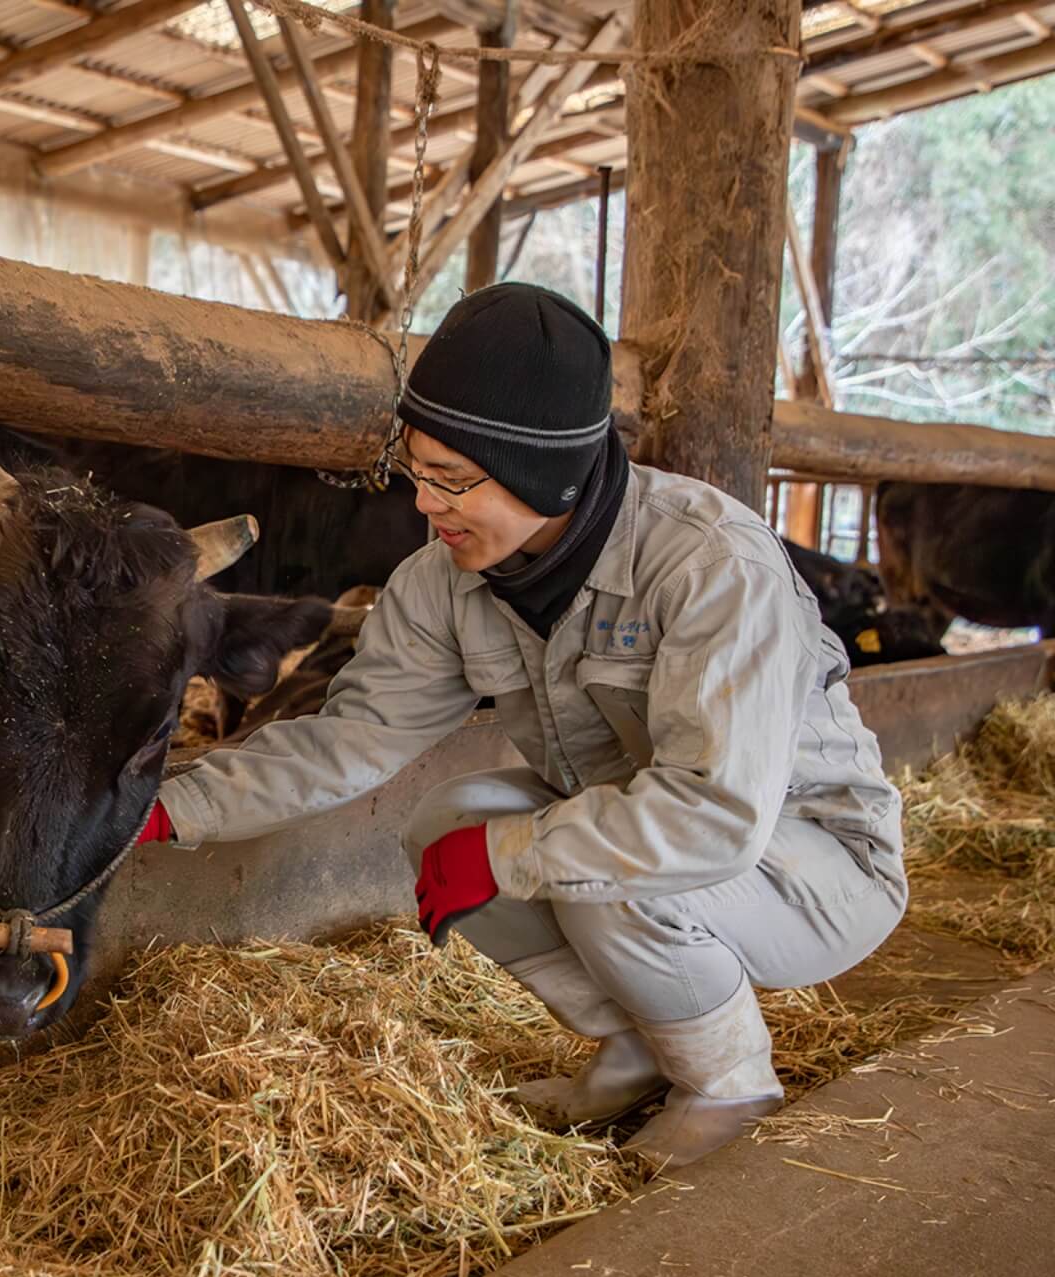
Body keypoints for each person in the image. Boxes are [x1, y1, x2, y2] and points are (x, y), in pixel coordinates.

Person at [135, 282, 908, 1170]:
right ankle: (630, 1052)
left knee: (602, 865)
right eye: (417, 472)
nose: (426, 504)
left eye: (455, 480)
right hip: (656, 838)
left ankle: (728, 1083)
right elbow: (347, 739)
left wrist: (510, 856)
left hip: (809, 863)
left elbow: (710, 815)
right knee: (449, 822)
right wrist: (168, 808)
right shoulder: (442, 584)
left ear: (548, 472)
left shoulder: (707, 566)